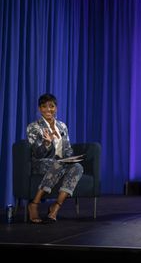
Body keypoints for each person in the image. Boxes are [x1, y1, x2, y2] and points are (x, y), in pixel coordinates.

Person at [26, 93, 84, 223]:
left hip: (61, 163)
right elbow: (37, 153)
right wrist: (46, 144)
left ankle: (56, 207)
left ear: (56, 108)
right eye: (44, 106)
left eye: (51, 106)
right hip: (41, 162)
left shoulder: (62, 126)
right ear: (40, 109)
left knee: (78, 167)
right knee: (58, 164)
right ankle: (34, 204)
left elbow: (67, 149)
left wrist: (71, 159)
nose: (48, 109)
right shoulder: (34, 127)